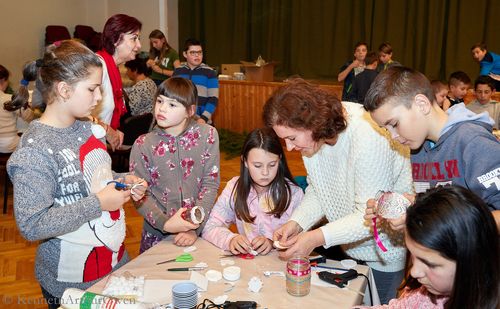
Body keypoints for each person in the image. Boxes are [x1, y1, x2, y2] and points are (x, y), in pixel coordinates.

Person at [6, 40, 147, 309]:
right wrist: (99, 203)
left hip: (114, 263)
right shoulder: (35, 149)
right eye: (93, 89)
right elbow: (32, 224)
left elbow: (93, 176)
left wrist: (121, 179)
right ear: (64, 89)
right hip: (71, 284)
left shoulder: (85, 127)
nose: (98, 98)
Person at [264, 78, 413, 304]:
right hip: (350, 252)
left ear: (312, 122)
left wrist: (313, 238)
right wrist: (296, 223)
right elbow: (319, 190)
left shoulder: (368, 134)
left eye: (292, 138)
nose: (290, 148)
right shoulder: (313, 141)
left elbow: (369, 216)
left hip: (385, 256)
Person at [363, 66, 500, 230]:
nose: (393, 136)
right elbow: (447, 203)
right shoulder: (418, 147)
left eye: (394, 124)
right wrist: (408, 207)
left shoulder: (474, 143)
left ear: (421, 104)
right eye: (386, 129)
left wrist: (445, 223)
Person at [354, 186, 499, 309]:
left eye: (430, 264)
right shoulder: (423, 294)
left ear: (471, 261)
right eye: (413, 255)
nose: (414, 272)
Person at [130, 77, 220, 253]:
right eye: (160, 101)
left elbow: (210, 184)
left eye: (172, 105)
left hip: (198, 231)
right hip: (157, 234)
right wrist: (166, 224)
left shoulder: (208, 135)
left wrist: (195, 226)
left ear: (190, 111)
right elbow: (139, 194)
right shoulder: (143, 144)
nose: (162, 108)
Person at [202, 128, 304, 255]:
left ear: (280, 160)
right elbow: (210, 226)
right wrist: (230, 239)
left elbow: (303, 238)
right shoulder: (234, 188)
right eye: (257, 165)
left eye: (272, 164)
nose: (265, 172)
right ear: (245, 162)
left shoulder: (294, 194)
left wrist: (273, 243)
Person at [93, 14, 142, 151]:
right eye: (134, 38)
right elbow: (78, 114)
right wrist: (107, 130)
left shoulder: (113, 68)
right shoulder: (96, 66)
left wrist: (114, 129)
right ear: (116, 39)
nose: (139, 45)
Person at [173, 38, 218, 125]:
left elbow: (213, 99)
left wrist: (203, 118)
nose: (197, 55)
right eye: (193, 52)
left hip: (202, 121)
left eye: (200, 52)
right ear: (185, 54)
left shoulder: (210, 72)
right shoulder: (177, 72)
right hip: (180, 121)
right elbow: (173, 96)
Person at [1, 64, 34, 153]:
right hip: (8, 144)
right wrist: (27, 107)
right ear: (4, 80)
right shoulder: (10, 99)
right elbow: (29, 117)